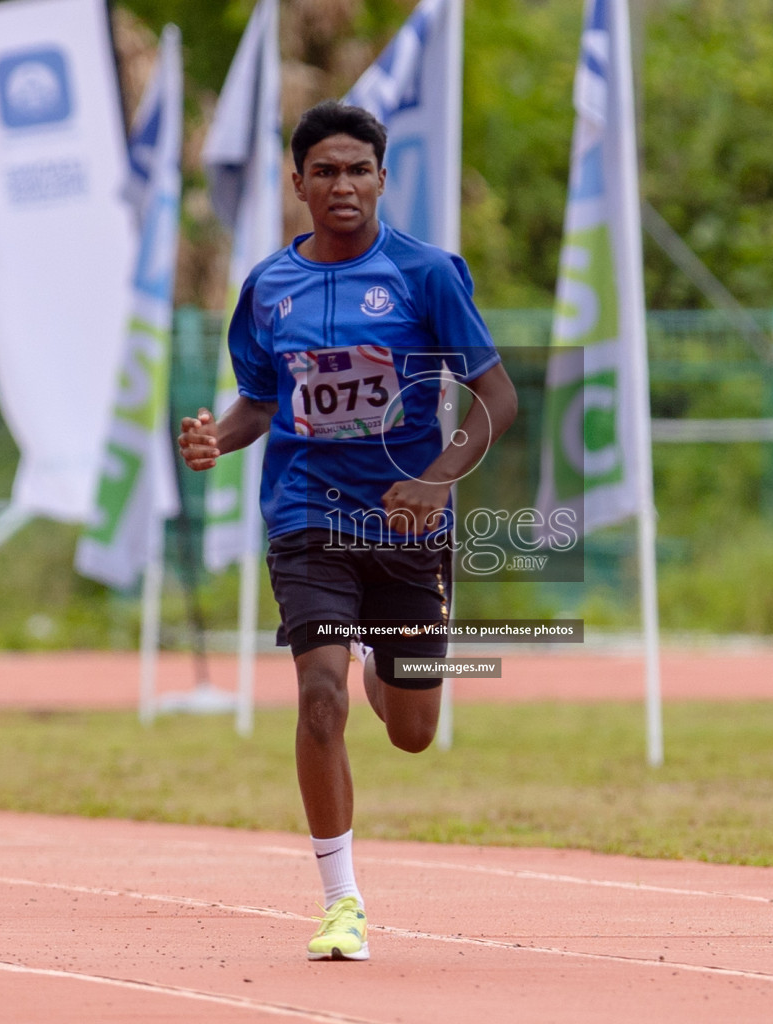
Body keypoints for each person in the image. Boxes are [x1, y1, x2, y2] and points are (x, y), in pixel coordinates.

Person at [179, 100, 517, 962]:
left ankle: (379, 659)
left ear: (381, 179)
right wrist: (219, 434)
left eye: (357, 170)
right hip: (307, 516)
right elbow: (261, 398)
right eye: (324, 170)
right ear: (297, 183)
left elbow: (498, 398)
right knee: (317, 699)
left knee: (412, 730)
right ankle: (341, 902)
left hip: (406, 522)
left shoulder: (428, 273)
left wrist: (438, 482)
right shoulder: (267, 287)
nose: (342, 185)